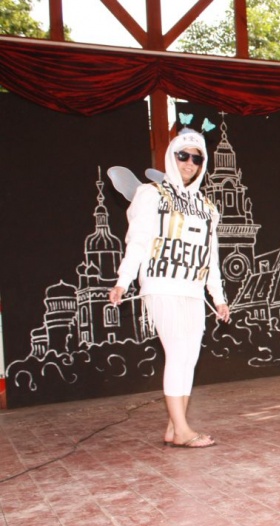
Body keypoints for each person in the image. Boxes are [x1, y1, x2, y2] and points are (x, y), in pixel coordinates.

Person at [109, 128, 230, 448]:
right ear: (171, 156)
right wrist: (123, 281)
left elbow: (211, 256)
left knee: (188, 357)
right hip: (161, 283)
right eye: (183, 155)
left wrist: (218, 298)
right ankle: (183, 430)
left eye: (197, 158)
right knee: (177, 352)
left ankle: (175, 428)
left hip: (193, 289)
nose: (189, 162)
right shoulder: (151, 194)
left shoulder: (207, 207)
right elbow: (137, 241)